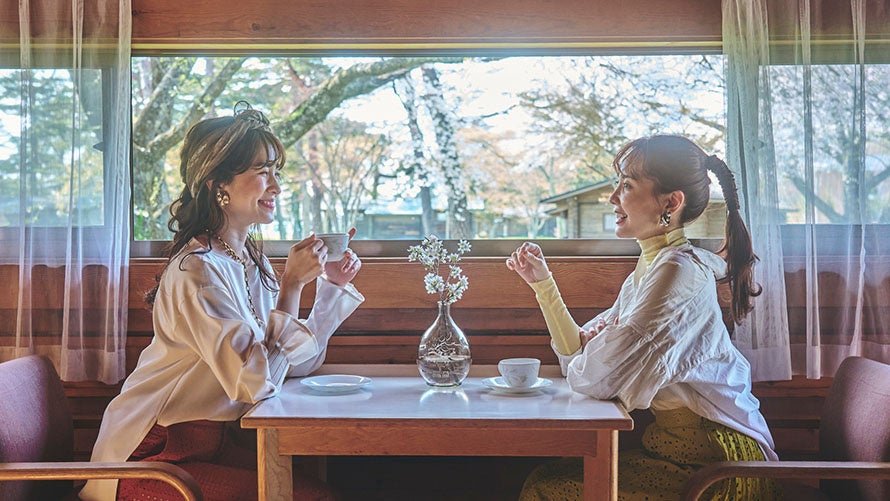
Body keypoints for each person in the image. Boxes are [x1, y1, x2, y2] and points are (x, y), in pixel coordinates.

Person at [80, 102, 364, 501]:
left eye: (276, 172)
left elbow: (294, 365)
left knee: (326, 489)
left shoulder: (251, 259)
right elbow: (257, 383)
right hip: (151, 457)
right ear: (219, 184)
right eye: (262, 172)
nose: (277, 186)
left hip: (212, 445)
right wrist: (292, 286)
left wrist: (329, 286)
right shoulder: (196, 271)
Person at [506, 135, 780, 500]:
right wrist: (543, 284)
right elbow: (581, 357)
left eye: (627, 185)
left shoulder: (677, 273)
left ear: (671, 202)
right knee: (544, 479)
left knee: (545, 489)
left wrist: (599, 349)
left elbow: (598, 378)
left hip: (718, 467)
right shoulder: (653, 266)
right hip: (676, 452)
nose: (613, 197)